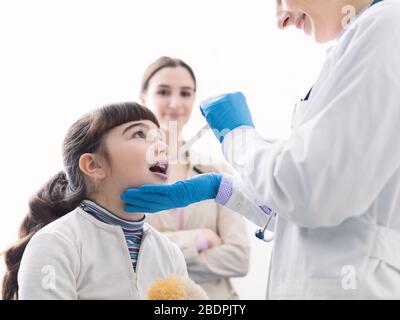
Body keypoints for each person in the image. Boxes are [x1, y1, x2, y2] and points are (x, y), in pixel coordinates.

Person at [120, 0, 400, 299]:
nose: (281, 18)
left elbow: (310, 191)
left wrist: (239, 137)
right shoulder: (369, 38)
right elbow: (310, 204)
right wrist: (224, 191)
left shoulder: (386, 27)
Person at [2, 102, 189, 300]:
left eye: (160, 137)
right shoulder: (55, 243)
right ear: (94, 165)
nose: (162, 146)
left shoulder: (170, 253)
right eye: (139, 134)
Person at [138, 56, 251, 300]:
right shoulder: (129, 176)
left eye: (186, 93)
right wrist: (198, 239)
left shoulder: (217, 171)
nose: (175, 102)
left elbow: (240, 258)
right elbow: (131, 254)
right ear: (143, 97)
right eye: (164, 91)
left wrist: (164, 255)